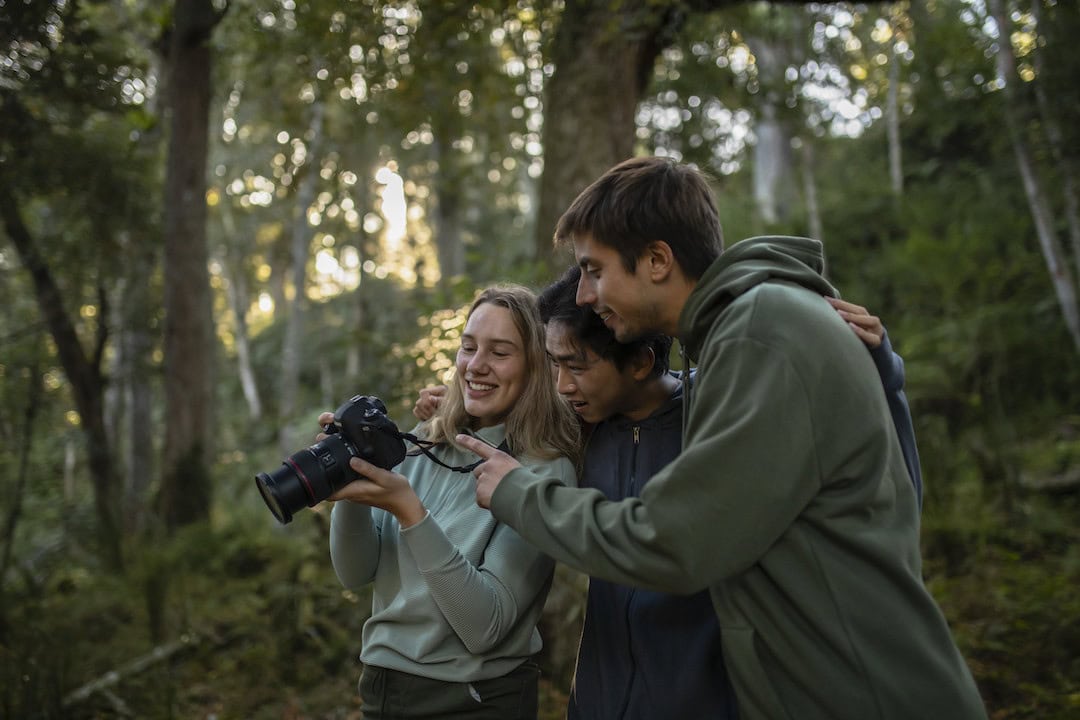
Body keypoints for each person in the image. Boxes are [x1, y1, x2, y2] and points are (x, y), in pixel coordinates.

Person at [455, 157, 988, 720]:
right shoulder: (736, 340)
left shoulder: (762, 331)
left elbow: (675, 540)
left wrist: (520, 494)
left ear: (657, 260)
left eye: (594, 269)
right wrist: (462, 410)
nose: (583, 294)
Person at [413, 267, 921, 719]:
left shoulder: (719, 417)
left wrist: (880, 376)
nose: (562, 385)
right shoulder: (580, 426)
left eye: (577, 365)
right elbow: (515, 416)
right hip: (600, 699)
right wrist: (458, 406)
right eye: (552, 364)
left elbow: (885, 487)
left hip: (711, 697)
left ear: (639, 362)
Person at [325, 284, 580, 719]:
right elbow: (355, 572)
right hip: (382, 690)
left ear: (535, 367)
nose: (476, 366)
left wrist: (411, 511)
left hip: (472, 700)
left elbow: (486, 627)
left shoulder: (540, 472)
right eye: (468, 347)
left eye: (500, 352)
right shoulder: (426, 443)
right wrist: (351, 484)